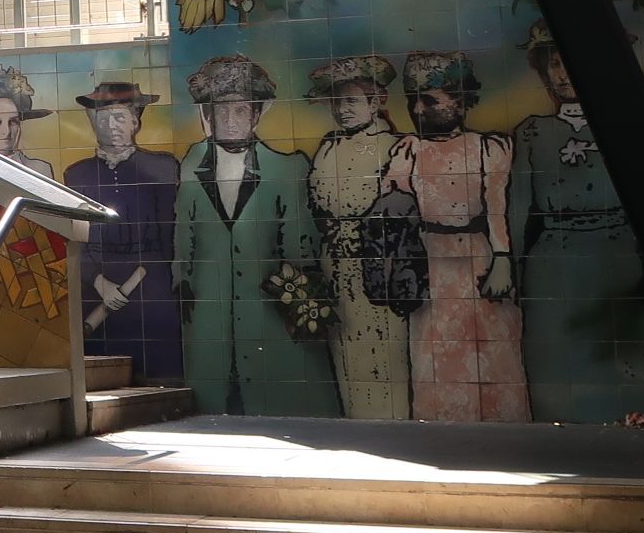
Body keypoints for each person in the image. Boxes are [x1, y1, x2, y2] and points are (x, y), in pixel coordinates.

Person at [507, 22, 644, 423]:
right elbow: (519, 206)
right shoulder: (532, 132)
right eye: (555, 65)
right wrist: (510, 263)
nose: (563, 74)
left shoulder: (626, 124)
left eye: (571, 64)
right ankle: (564, 432)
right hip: (554, 259)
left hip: (618, 249)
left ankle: (636, 426)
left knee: (626, 346)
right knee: (557, 350)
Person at [172, 54, 337, 415]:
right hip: (210, 319)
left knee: (284, 404)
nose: (230, 120)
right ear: (207, 115)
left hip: (271, 317)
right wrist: (181, 283)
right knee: (212, 411)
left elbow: (301, 250)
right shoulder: (189, 165)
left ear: (257, 114)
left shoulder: (287, 167)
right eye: (221, 111)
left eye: (241, 110)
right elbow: (182, 240)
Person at [382, 51, 527, 422]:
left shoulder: (487, 148)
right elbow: (393, 212)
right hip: (430, 261)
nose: (418, 110)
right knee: (435, 354)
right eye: (414, 101)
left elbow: (497, 207)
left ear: (460, 101)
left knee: (494, 352)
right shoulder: (407, 151)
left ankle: (503, 436)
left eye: (430, 101)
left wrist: (502, 262)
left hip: (480, 258)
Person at [305, 55, 409, 420]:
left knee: (383, 353)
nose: (342, 110)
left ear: (375, 101)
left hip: (378, 265)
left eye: (351, 101)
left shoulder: (396, 146)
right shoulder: (328, 146)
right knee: (345, 353)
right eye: (337, 102)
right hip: (335, 263)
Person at [62, 80, 182, 385]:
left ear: (135, 122)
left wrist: (153, 277)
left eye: (120, 117)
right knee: (102, 367)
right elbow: (76, 237)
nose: (112, 126)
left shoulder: (162, 168)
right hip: (97, 286)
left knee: (157, 365)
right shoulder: (77, 174)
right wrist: (99, 283)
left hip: (150, 281)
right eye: (103, 118)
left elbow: (170, 234)